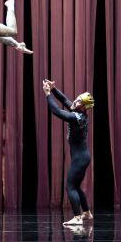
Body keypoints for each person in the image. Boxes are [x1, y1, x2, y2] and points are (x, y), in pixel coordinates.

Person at [42, 79, 94, 225]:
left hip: (80, 158)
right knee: (76, 186)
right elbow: (64, 100)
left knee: (70, 187)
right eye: (77, 99)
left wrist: (47, 94)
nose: (75, 101)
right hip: (82, 157)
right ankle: (87, 213)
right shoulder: (78, 112)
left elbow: (56, 111)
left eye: (78, 102)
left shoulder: (77, 117)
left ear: (83, 108)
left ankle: (77, 218)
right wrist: (53, 89)